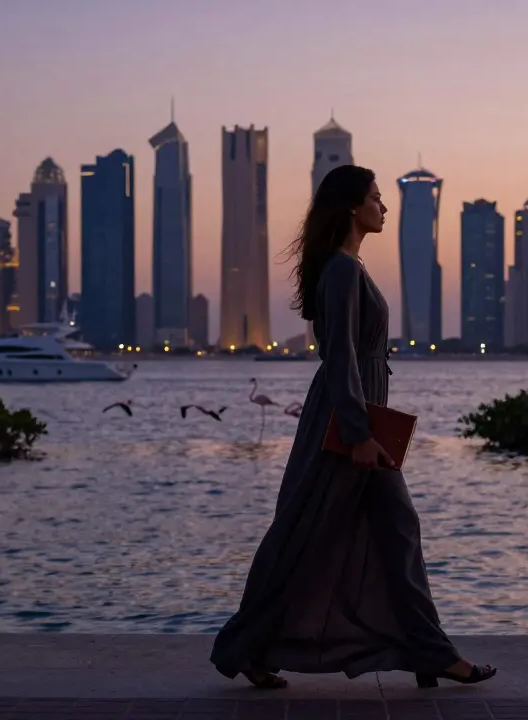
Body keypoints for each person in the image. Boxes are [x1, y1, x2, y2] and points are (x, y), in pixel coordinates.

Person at [209, 164, 496, 690]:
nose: (383, 207)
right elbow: (338, 354)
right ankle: (244, 646)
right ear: (351, 208)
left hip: (359, 419)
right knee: (305, 533)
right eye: (376, 198)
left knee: (390, 532)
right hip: (345, 427)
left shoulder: (351, 266)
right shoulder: (341, 271)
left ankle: (428, 653)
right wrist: (359, 433)